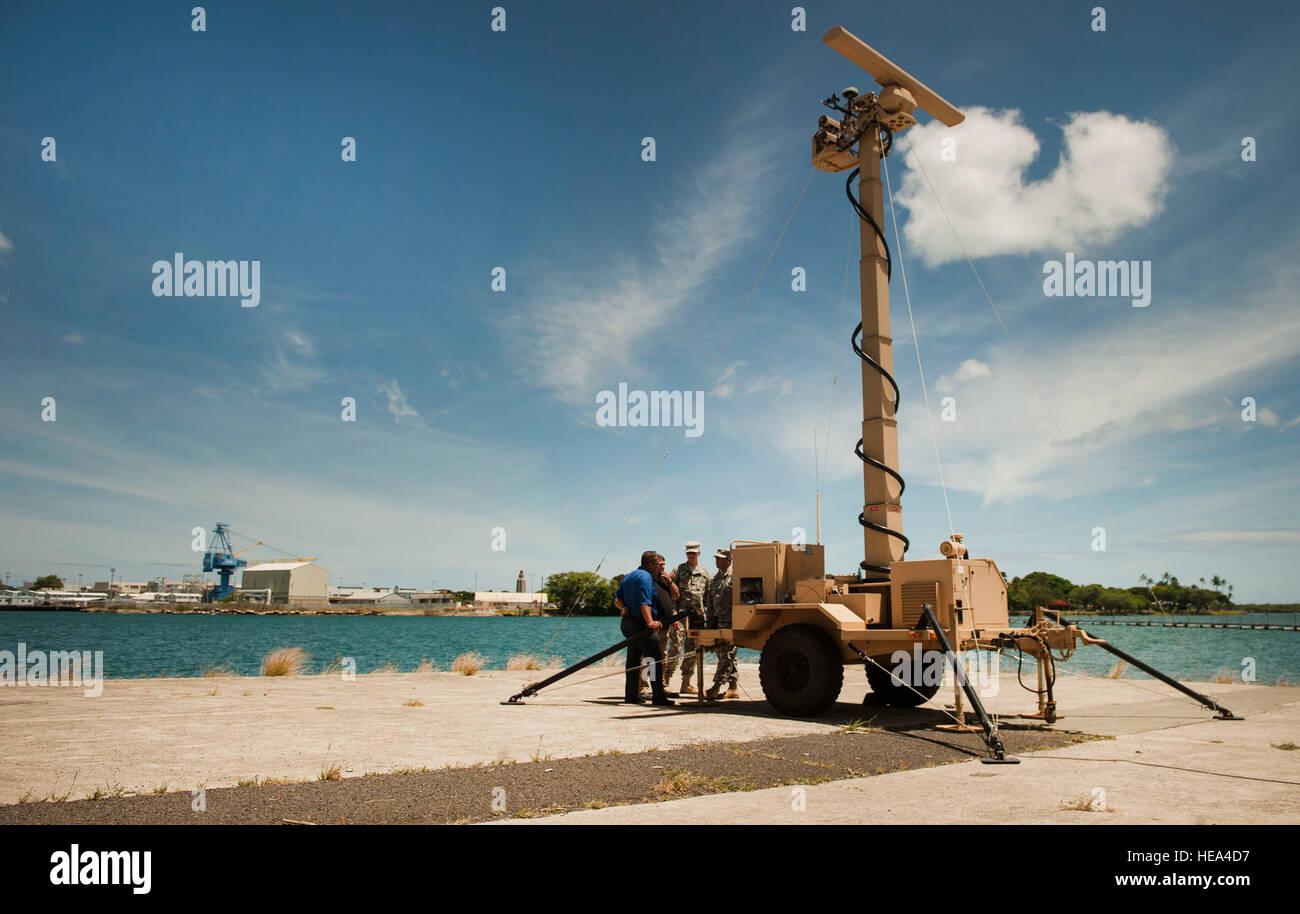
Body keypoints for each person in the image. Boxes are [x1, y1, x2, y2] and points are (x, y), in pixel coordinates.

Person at [614, 550, 674, 706]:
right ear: (648, 564)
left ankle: (631, 696)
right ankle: (659, 696)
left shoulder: (630, 576)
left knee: (633, 660)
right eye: (656, 564)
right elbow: (644, 603)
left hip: (627, 623)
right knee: (654, 658)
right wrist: (650, 622)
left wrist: (623, 608)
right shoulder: (646, 578)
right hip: (640, 623)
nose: (658, 567)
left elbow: (617, 599)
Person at [668, 541, 711, 695]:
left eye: (693, 552)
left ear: (699, 553)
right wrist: (672, 616)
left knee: (692, 651)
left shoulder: (705, 572)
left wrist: (708, 616)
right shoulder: (678, 570)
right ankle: (665, 681)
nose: (691, 555)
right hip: (680, 615)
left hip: (697, 617)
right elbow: (671, 594)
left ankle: (686, 683)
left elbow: (708, 597)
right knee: (675, 647)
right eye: (688, 552)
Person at [705, 548, 738, 700]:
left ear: (728, 560)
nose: (717, 560)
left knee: (727, 654)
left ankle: (716, 686)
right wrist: (710, 619)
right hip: (719, 621)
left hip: (733, 621)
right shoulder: (715, 578)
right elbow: (710, 601)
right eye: (716, 558)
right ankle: (733, 687)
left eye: (720, 558)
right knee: (724, 654)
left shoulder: (736, 576)